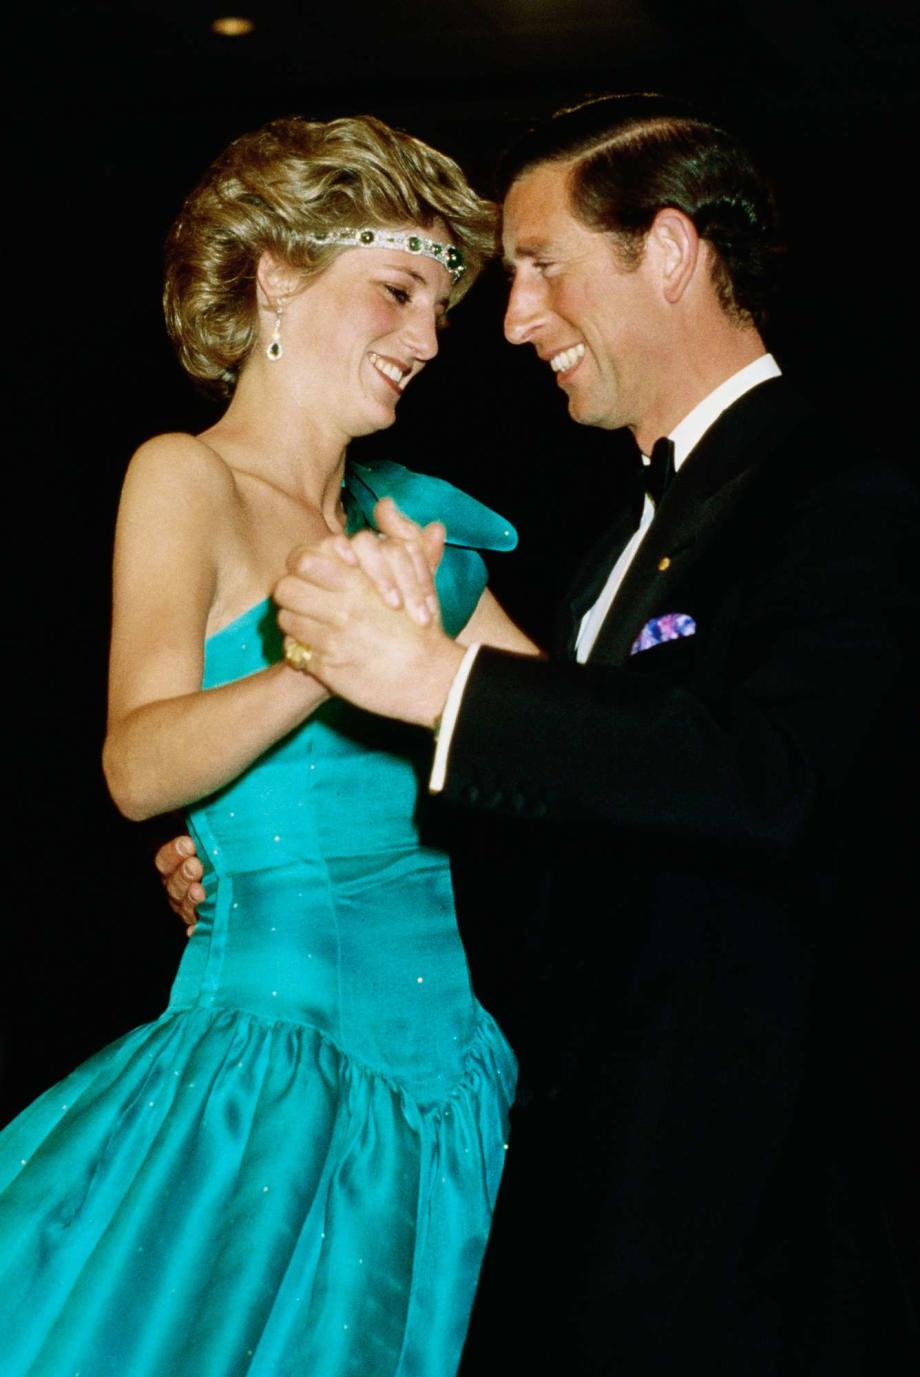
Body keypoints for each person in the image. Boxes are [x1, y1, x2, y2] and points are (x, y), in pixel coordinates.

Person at [244, 95, 920, 1373]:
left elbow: (769, 779)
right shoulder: (615, 539)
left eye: (539, 266)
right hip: (591, 1198)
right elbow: (574, 817)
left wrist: (448, 687)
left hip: (751, 1235)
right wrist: (274, 859)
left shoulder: (840, 495)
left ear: (668, 252)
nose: (511, 322)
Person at [0, 113, 538, 1377]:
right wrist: (329, 659)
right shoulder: (187, 477)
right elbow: (137, 768)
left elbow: (589, 749)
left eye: (441, 313)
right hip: (270, 1084)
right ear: (279, 276)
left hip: (455, 1089)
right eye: (398, 292)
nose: (424, 341)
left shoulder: (411, 527)